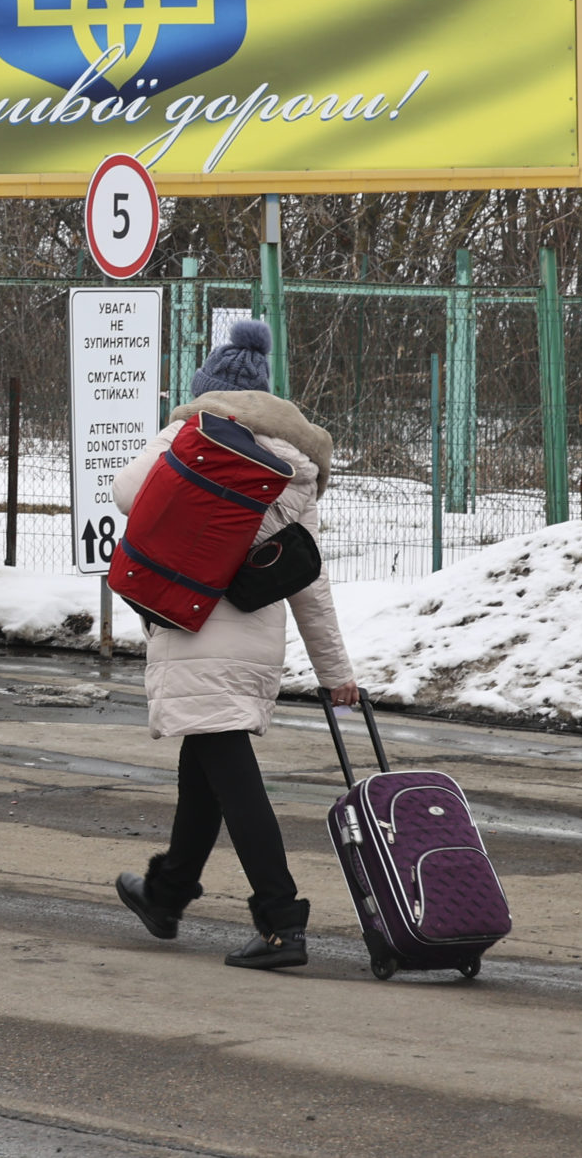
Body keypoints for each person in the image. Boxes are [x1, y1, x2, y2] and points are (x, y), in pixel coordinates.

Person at [109, 318, 361, 971]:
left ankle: (281, 921)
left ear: (210, 389)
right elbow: (308, 578)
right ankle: (167, 893)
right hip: (254, 639)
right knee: (206, 768)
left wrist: (179, 441)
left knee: (233, 778)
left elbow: (126, 492)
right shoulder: (295, 468)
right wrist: (335, 670)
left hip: (192, 630)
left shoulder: (192, 434)